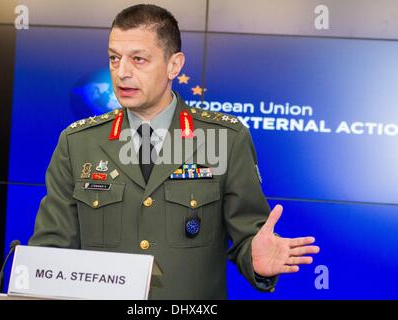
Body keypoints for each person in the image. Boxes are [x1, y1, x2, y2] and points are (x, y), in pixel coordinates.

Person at [29, 4, 320, 299]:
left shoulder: (225, 138)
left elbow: (249, 237)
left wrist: (255, 261)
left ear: (174, 65)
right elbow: (51, 252)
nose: (122, 73)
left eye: (138, 59)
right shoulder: (77, 142)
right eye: (114, 59)